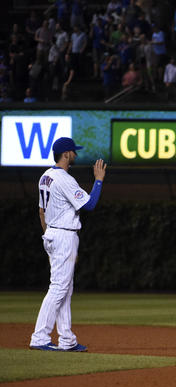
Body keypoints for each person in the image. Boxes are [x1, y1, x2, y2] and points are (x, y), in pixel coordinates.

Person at [30, 137, 107, 352]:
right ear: (65, 154)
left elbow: (40, 211)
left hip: (53, 234)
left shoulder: (45, 176)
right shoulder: (64, 179)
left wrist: (48, 238)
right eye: (73, 151)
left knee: (66, 288)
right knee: (59, 287)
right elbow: (90, 204)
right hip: (63, 235)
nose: (75, 154)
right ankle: (39, 336)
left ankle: (66, 339)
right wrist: (98, 180)